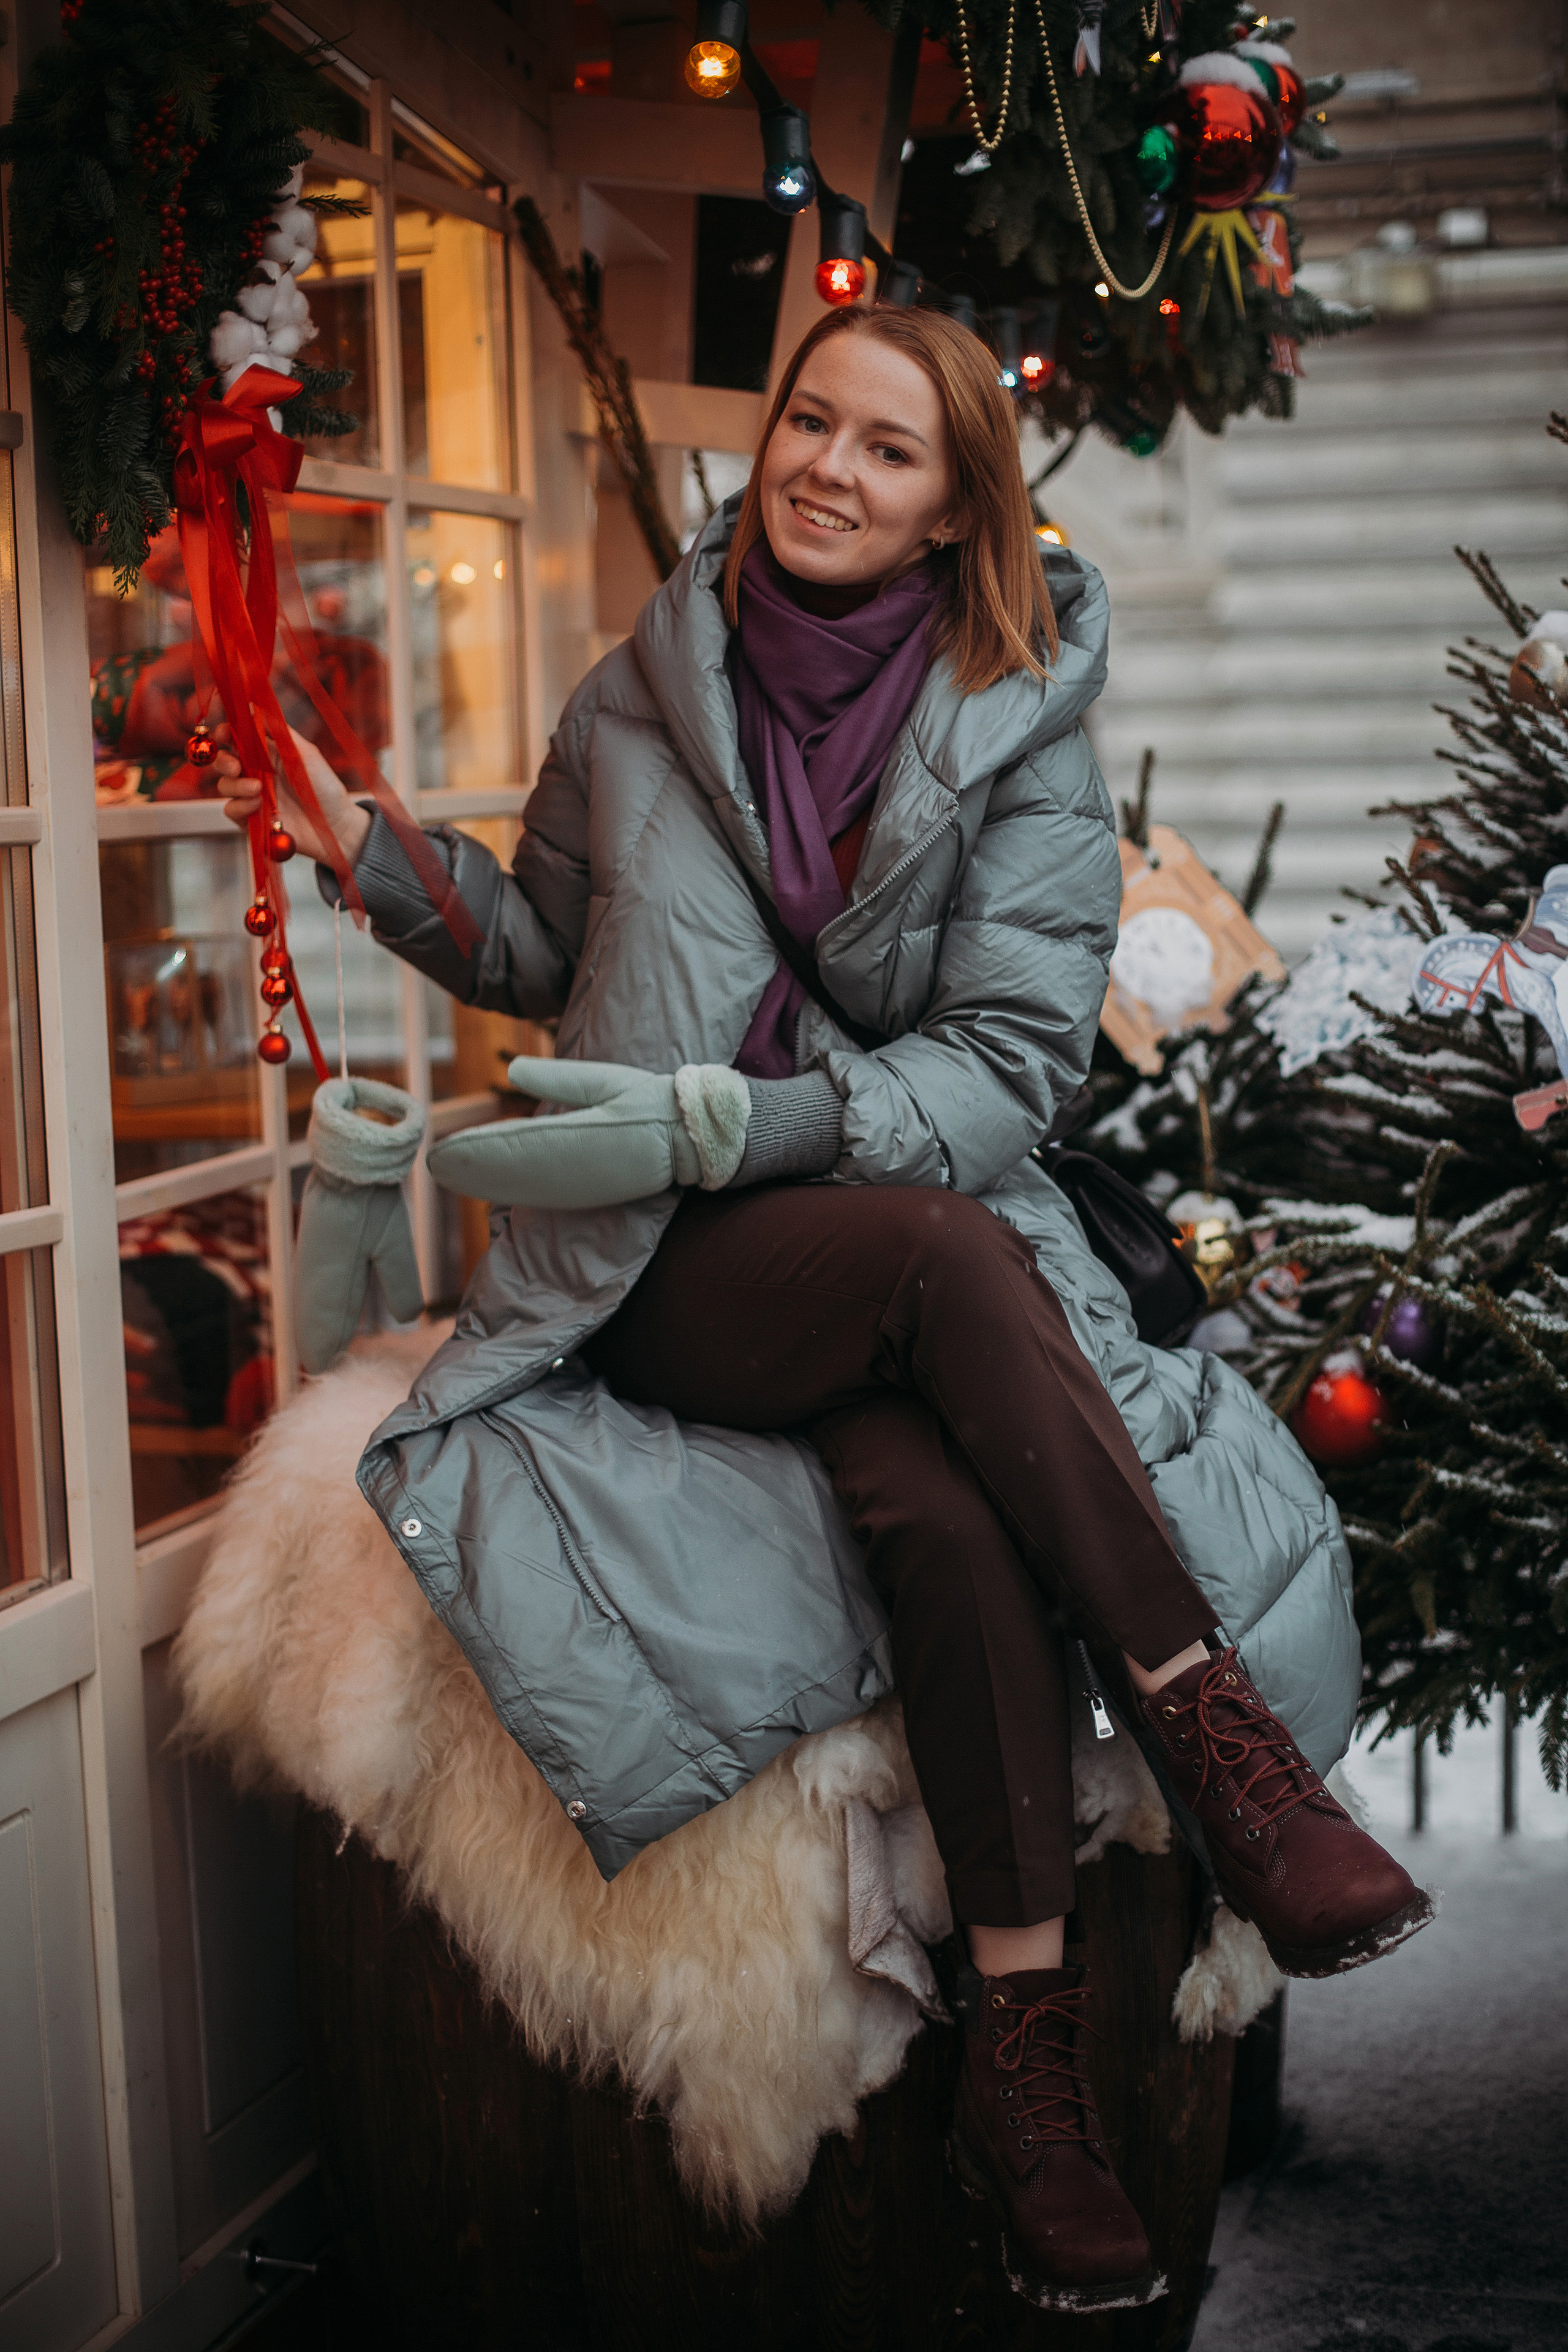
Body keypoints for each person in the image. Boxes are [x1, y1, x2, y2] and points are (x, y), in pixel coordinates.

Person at [220, 306, 1431, 2313]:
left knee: (944, 1516)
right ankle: (1229, 1751)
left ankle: (1027, 2079)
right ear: (767, 434)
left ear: (960, 507)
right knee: (943, 1261)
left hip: (871, 1236)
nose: (829, 468)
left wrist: (768, 1111)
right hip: (668, 1259)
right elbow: (547, 945)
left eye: (889, 450)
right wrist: (389, 873)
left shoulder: (1020, 721)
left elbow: (1016, 1064)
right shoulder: (634, 695)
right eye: (811, 421)